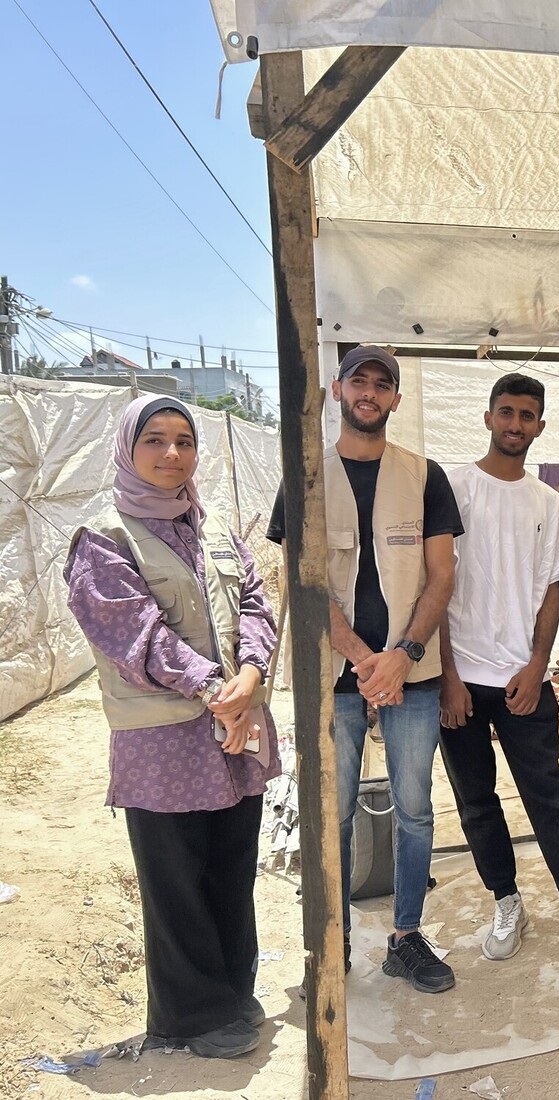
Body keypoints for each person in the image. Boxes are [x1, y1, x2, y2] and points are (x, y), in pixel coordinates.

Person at [66, 396, 280, 1059]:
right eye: (154, 440)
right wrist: (219, 689)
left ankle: (233, 996)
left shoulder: (211, 525)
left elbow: (252, 599)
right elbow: (132, 636)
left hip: (233, 729)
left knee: (229, 866)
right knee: (175, 880)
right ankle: (192, 1018)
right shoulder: (103, 539)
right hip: (163, 740)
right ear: (128, 450)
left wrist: (250, 673)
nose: (171, 454)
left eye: (183, 440)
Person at [267, 345, 462, 994]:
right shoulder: (306, 476)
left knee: (414, 809)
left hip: (413, 669)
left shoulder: (425, 476)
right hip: (337, 676)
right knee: (336, 813)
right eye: (360, 381)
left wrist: (402, 655)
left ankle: (405, 939)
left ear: (396, 400)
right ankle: (335, 945)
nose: (370, 393)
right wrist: (359, 658)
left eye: (384, 384)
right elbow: (303, 578)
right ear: (337, 390)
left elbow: (441, 578)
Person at [437, 373, 559, 965]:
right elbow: (438, 586)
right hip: (461, 683)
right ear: (487, 417)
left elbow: (551, 589)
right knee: (476, 799)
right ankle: (507, 900)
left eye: (527, 416)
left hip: (523, 676)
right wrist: (449, 678)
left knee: (548, 795)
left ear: (541, 427)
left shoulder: (547, 501)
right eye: (506, 412)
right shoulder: (453, 489)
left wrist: (538, 665)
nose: (515, 425)